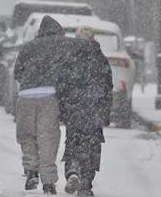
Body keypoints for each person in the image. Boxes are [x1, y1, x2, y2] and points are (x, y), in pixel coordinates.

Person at [11, 15, 68, 194]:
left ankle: (31, 171)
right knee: (48, 137)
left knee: (27, 135)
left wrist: (28, 83)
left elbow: (17, 72)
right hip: (49, 96)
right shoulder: (60, 47)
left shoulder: (28, 46)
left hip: (26, 96)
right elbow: (67, 72)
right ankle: (49, 181)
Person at [59, 27, 113, 196]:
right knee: (92, 148)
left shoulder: (69, 56)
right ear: (93, 38)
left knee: (73, 141)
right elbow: (107, 87)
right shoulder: (100, 58)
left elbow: (62, 84)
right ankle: (85, 185)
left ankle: (73, 170)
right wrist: (105, 111)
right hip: (94, 109)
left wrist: (63, 108)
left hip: (74, 108)